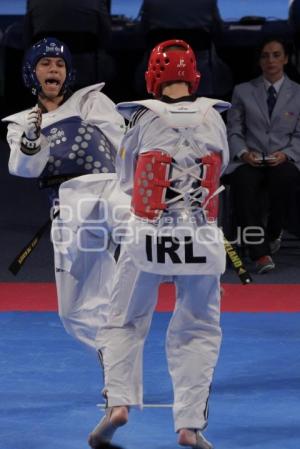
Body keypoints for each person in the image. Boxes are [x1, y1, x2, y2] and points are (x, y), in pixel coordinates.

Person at [88, 39, 230, 449]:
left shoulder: (140, 117)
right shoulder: (215, 117)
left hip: (148, 232)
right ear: (194, 76)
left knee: (125, 320)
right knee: (199, 328)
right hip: (202, 234)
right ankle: (189, 424)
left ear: (153, 75)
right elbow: (221, 174)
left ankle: (118, 403)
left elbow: (128, 181)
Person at [2, 37, 128, 350]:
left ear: (68, 72)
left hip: (110, 191)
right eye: (45, 63)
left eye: (59, 64)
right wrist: (32, 140)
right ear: (32, 72)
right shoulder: (20, 123)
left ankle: (174, 266)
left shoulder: (91, 101)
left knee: (130, 257)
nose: (53, 68)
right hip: (70, 209)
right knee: (72, 312)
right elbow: (23, 168)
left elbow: (125, 147)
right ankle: (111, 358)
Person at [226, 37, 300, 274]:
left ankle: (274, 231)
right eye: (266, 55)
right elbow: (234, 130)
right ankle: (260, 254)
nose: (271, 60)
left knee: (285, 177)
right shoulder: (243, 91)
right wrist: (244, 153)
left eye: (276, 55)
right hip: (251, 158)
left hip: (284, 159)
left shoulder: (298, 93)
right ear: (259, 61)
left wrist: (286, 154)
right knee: (243, 182)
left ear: (286, 59)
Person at [135, 0, 233, 99]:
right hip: (203, 75)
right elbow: (218, 30)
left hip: (158, 77)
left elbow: (142, 30)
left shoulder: (151, 2)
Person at [23, 0, 115, 90]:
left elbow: (27, 38)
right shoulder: (97, 2)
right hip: (87, 73)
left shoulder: (35, 2)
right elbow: (106, 38)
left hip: (44, 76)